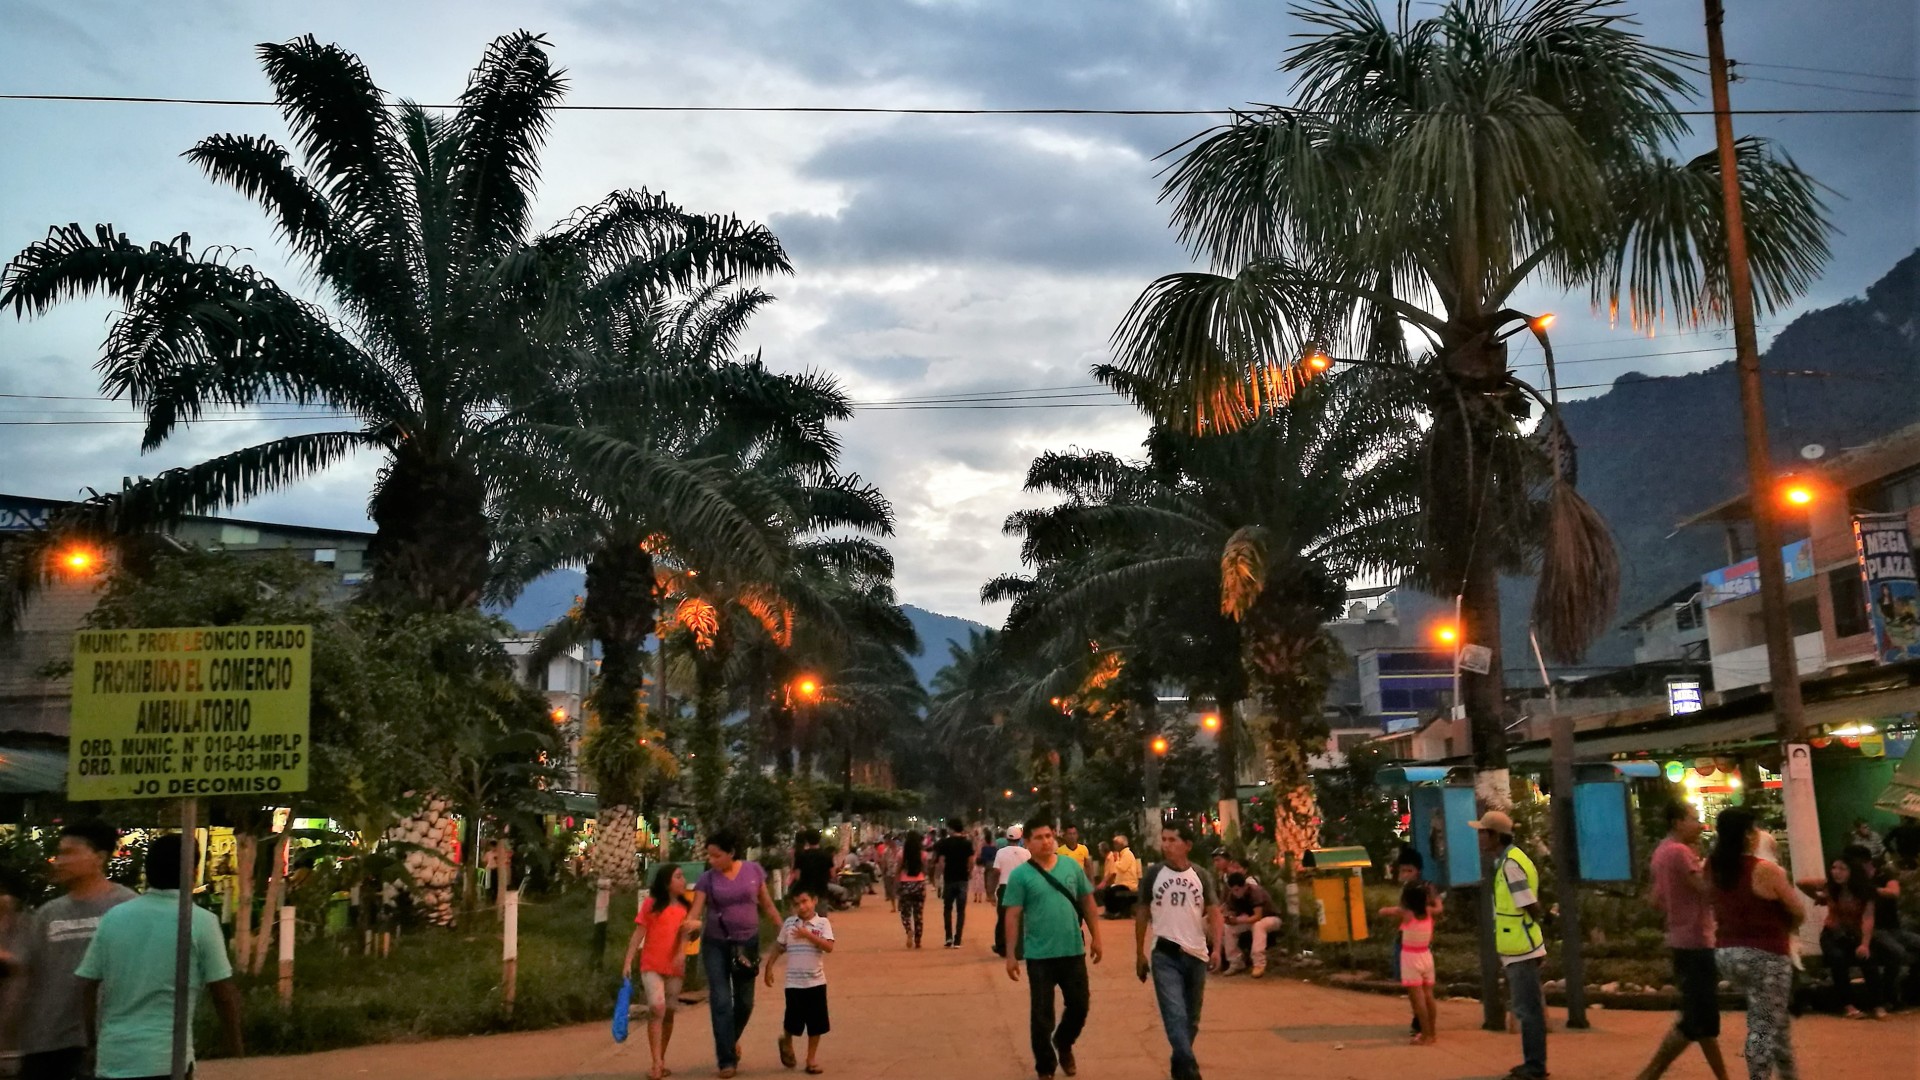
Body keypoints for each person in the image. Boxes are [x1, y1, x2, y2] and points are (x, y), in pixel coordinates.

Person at [75, 832, 243, 1079]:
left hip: (114, 1057)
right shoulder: (200, 922)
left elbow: (86, 985)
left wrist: (92, 1042)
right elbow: (223, 995)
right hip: (167, 1060)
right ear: (192, 872)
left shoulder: (114, 918)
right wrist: (236, 1048)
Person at [17, 822, 136, 1080]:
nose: (60, 861)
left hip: (105, 1040)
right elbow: (28, 974)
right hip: (47, 1041)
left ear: (99, 857)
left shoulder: (127, 907)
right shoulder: (48, 914)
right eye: (59, 853)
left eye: (69, 853)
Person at [1711, 807, 1806, 1080]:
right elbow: (1798, 910)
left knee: (1774, 1016)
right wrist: (1787, 926)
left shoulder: (1713, 868)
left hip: (1728, 954)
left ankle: (1789, 1075)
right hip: (1766, 954)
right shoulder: (1765, 870)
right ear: (1746, 835)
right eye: (1753, 829)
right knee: (1763, 1025)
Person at [1636, 804, 1729, 1080]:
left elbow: (1656, 900)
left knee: (1702, 1020)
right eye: (1693, 819)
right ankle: (1650, 1073)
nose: (1698, 824)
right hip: (1698, 940)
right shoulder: (1680, 852)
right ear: (1677, 822)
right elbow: (1706, 890)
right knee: (1696, 1020)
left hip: (1680, 939)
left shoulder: (1661, 852)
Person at [1003, 820, 1102, 1080]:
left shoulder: (1071, 867)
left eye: (1049, 836)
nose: (1046, 841)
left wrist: (1097, 937)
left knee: (1080, 1005)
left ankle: (1063, 1041)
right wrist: (1011, 955)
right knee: (1041, 1015)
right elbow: (1012, 915)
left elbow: (1088, 902)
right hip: (1039, 956)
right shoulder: (1020, 876)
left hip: (1072, 950)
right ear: (1027, 843)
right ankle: (1045, 1066)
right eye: (1039, 837)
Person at [686, 831, 784, 1079]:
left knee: (744, 1002)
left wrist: (782, 928)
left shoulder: (753, 871)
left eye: (716, 855)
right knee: (720, 1001)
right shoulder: (707, 880)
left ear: (731, 853)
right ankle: (726, 1060)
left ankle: (729, 1040)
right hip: (716, 945)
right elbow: (695, 911)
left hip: (747, 943)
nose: (711, 860)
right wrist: (689, 927)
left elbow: (766, 903)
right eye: (709, 856)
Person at [1135, 823, 1220, 1080]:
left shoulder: (1201, 875)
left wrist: (1217, 948)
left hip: (1196, 953)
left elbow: (1214, 913)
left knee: (1191, 1019)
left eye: (1173, 840)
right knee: (1174, 1014)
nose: (1166, 845)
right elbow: (1142, 913)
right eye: (1164, 839)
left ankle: (1180, 1062)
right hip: (1165, 954)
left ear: (1187, 845)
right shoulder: (1154, 875)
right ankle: (1190, 1069)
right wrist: (1139, 952)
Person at [1472, 810, 1547, 1080]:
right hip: (1519, 944)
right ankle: (1532, 1063)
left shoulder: (1510, 865)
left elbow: (1529, 903)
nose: (1479, 838)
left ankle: (1534, 1067)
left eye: (1483, 832)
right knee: (1527, 1009)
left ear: (1495, 836)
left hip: (1521, 947)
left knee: (1528, 1010)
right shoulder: (1508, 860)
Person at [625, 863, 694, 1080]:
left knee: (669, 1012)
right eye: (678, 877)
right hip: (651, 965)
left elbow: (686, 935)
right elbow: (638, 934)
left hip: (674, 967)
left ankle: (660, 1058)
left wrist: (681, 953)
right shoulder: (651, 905)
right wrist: (628, 961)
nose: (683, 881)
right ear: (666, 883)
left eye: (682, 876)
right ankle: (656, 1062)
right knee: (657, 1008)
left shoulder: (686, 908)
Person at [1799, 856, 1884, 1018]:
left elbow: (1868, 918)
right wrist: (1818, 896)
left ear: (1853, 872)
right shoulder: (1831, 888)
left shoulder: (1865, 891)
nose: (1836, 872)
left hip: (1856, 934)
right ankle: (1848, 1005)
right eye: (1834, 868)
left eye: (1842, 869)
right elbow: (1802, 883)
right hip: (1833, 934)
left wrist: (1865, 944)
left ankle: (1878, 1004)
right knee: (1837, 959)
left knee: (1868, 958)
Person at [764, 886, 835, 1075]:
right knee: (792, 1020)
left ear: (814, 901)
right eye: (797, 904)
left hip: (816, 982)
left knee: (816, 1023)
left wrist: (808, 935)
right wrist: (769, 967)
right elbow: (780, 946)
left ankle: (811, 1059)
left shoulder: (822, 923)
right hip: (794, 983)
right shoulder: (789, 924)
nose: (802, 907)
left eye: (805, 902)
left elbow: (829, 947)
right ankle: (786, 1041)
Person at [1849, 844, 1920, 1007]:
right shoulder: (1853, 880)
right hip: (1875, 930)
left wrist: (1869, 889)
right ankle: (1890, 994)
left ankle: (1910, 989)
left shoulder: (1883, 875)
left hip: (1894, 928)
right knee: (1897, 952)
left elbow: (1894, 892)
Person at [1378, 879, 1439, 1044]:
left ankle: (1424, 1035)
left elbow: (1382, 911)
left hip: (1410, 958)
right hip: (1426, 955)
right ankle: (1432, 1033)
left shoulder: (1406, 913)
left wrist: (1399, 904)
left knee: (1418, 999)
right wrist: (1434, 896)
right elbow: (1439, 908)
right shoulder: (1429, 911)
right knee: (1429, 996)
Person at [1390, 847, 1443, 1035]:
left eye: (1409, 870)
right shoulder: (1406, 889)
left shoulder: (1426, 888)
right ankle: (1420, 1021)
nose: (1405, 874)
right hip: (1405, 939)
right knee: (1411, 987)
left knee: (1420, 989)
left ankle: (1423, 1025)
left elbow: (1439, 908)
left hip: (1419, 943)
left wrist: (1422, 911)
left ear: (1417, 871)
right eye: (1402, 870)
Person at [1219, 872, 1283, 977]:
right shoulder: (1233, 896)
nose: (1235, 893)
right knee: (1229, 928)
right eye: (1233, 890)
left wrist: (1238, 921)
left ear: (1244, 886)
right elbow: (1231, 910)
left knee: (1258, 926)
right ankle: (1235, 962)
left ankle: (1259, 963)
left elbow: (1258, 916)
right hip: (1249, 919)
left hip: (1270, 918)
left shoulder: (1255, 892)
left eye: (1237, 890)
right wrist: (1229, 918)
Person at [932, 818, 975, 948]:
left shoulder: (944, 843)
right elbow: (971, 861)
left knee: (947, 909)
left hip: (949, 878)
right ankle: (958, 940)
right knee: (961, 910)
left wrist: (941, 874)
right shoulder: (967, 843)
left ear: (951, 828)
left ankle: (948, 937)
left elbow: (941, 861)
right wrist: (969, 872)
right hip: (962, 879)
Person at [992, 828, 1032, 957]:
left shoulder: (1000, 853)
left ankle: (1001, 947)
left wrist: (991, 891)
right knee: (1020, 918)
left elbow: (996, 872)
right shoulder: (1026, 853)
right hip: (1021, 888)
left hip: (1005, 887)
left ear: (1007, 838)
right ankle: (1020, 949)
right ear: (1020, 838)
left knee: (1003, 917)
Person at [790, 830, 838, 910]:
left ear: (806, 840)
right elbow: (833, 874)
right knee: (821, 915)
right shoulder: (827, 855)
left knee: (807, 914)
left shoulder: (801, 856)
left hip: (806, 890)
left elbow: (797, 876)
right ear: (819, 839)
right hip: (822, 889)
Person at [897, 832, 928, 949]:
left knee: (905, 912)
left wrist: (897, 885)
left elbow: (898, 870)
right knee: (918, 914)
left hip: (905, 884)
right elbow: (925, 870)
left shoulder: (901, 854)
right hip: (919, 884)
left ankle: (909, 930)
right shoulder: (923, 854)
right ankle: (918, 941)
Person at [1099, 834, 1141, 920]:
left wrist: (1116, 860)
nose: (1114, 846)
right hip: (1121, 883)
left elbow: (1122, 868)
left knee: (1112, 891)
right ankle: (1110, 911)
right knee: (1107, 890)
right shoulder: (1121, 854)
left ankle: (1116, 912)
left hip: (1128, 885)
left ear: (1122, 844)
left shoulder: (1127, 854)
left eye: (1116, 843)